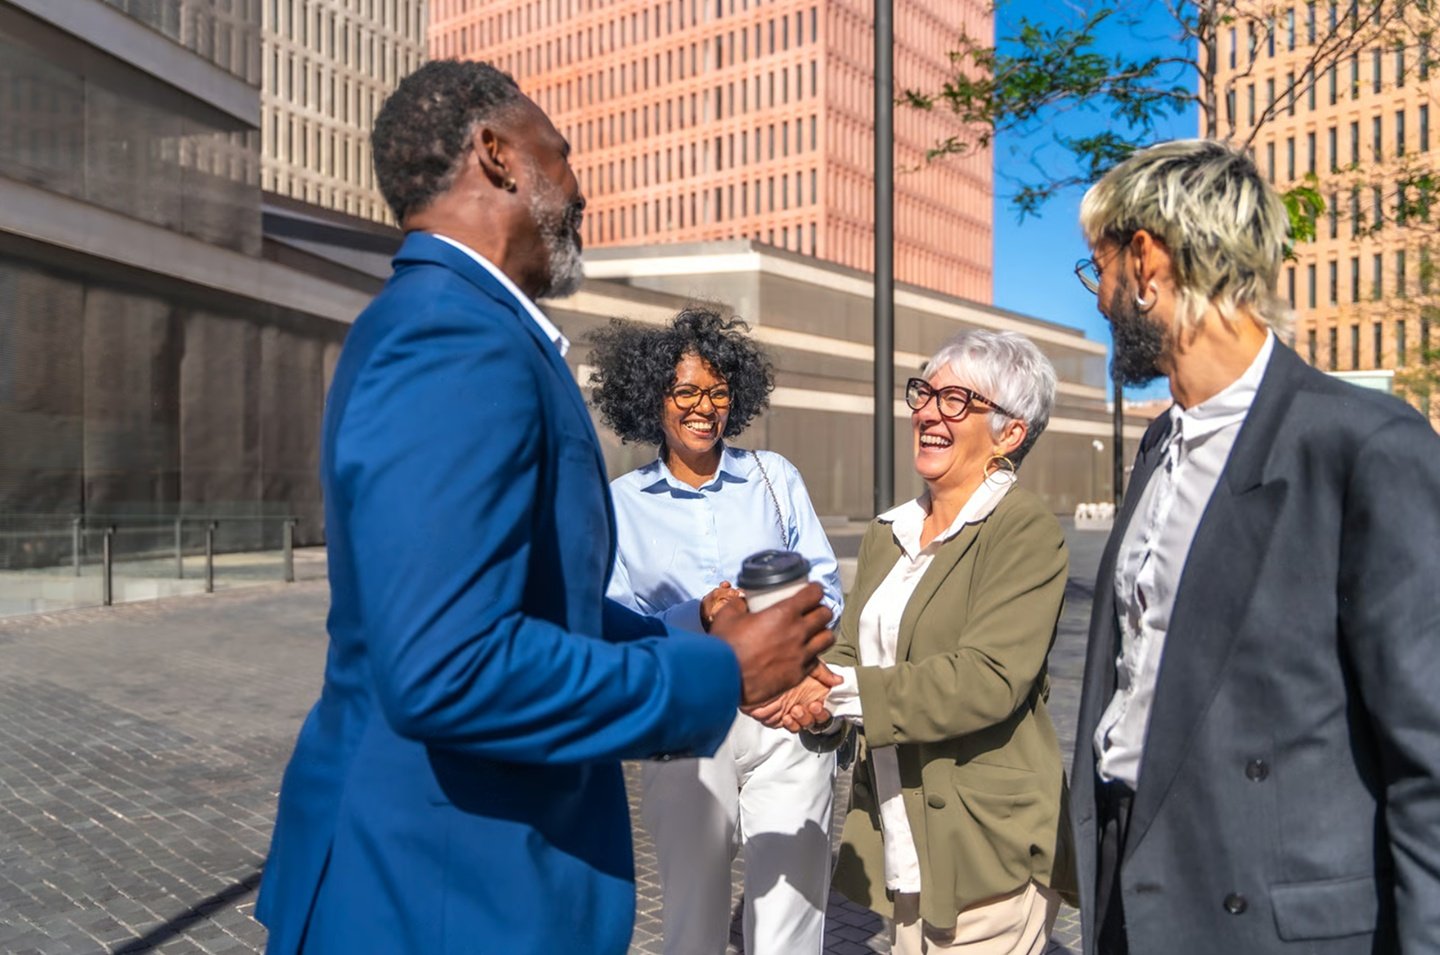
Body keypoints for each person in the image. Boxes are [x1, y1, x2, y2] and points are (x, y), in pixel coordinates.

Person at [253, 61, 834, 955]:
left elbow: (536, 602)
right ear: (496, 155)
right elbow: (448, 663)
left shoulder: (461, 325)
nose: (580, 188)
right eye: (559, 155)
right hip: (441, 894)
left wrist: (698, 640)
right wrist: (718, 679)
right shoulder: (452, 336)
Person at [1068, 139, 1440, 954]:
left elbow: (1429, 750)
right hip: (1133, 876)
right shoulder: (1161, 436)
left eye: (1095, 269)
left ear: (1145, 260)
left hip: (1268, 918)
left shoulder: (1364, 443)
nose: (1096, 299)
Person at [760, 329, 1075, 955]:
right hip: (904, 841)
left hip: (988, 844)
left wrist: (837, 691)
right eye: (926, 393)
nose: (929, 411)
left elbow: (984, 680)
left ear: (1010, 433)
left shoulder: (1023, 530)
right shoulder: (890, 533)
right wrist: (811, 696)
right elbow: (851, 656)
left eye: (958, 400)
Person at [588, 308, 844, 955]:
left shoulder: (775, 479)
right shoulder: (622, 504)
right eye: (687, 390)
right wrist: (696, 616)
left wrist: (796, 657)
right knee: (692, 925)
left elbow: (826, 589)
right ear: (655, 399)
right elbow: (614, 624)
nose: (705, 406)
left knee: (791, 924)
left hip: (784, 722)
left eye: (719, 390)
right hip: (685, 727)